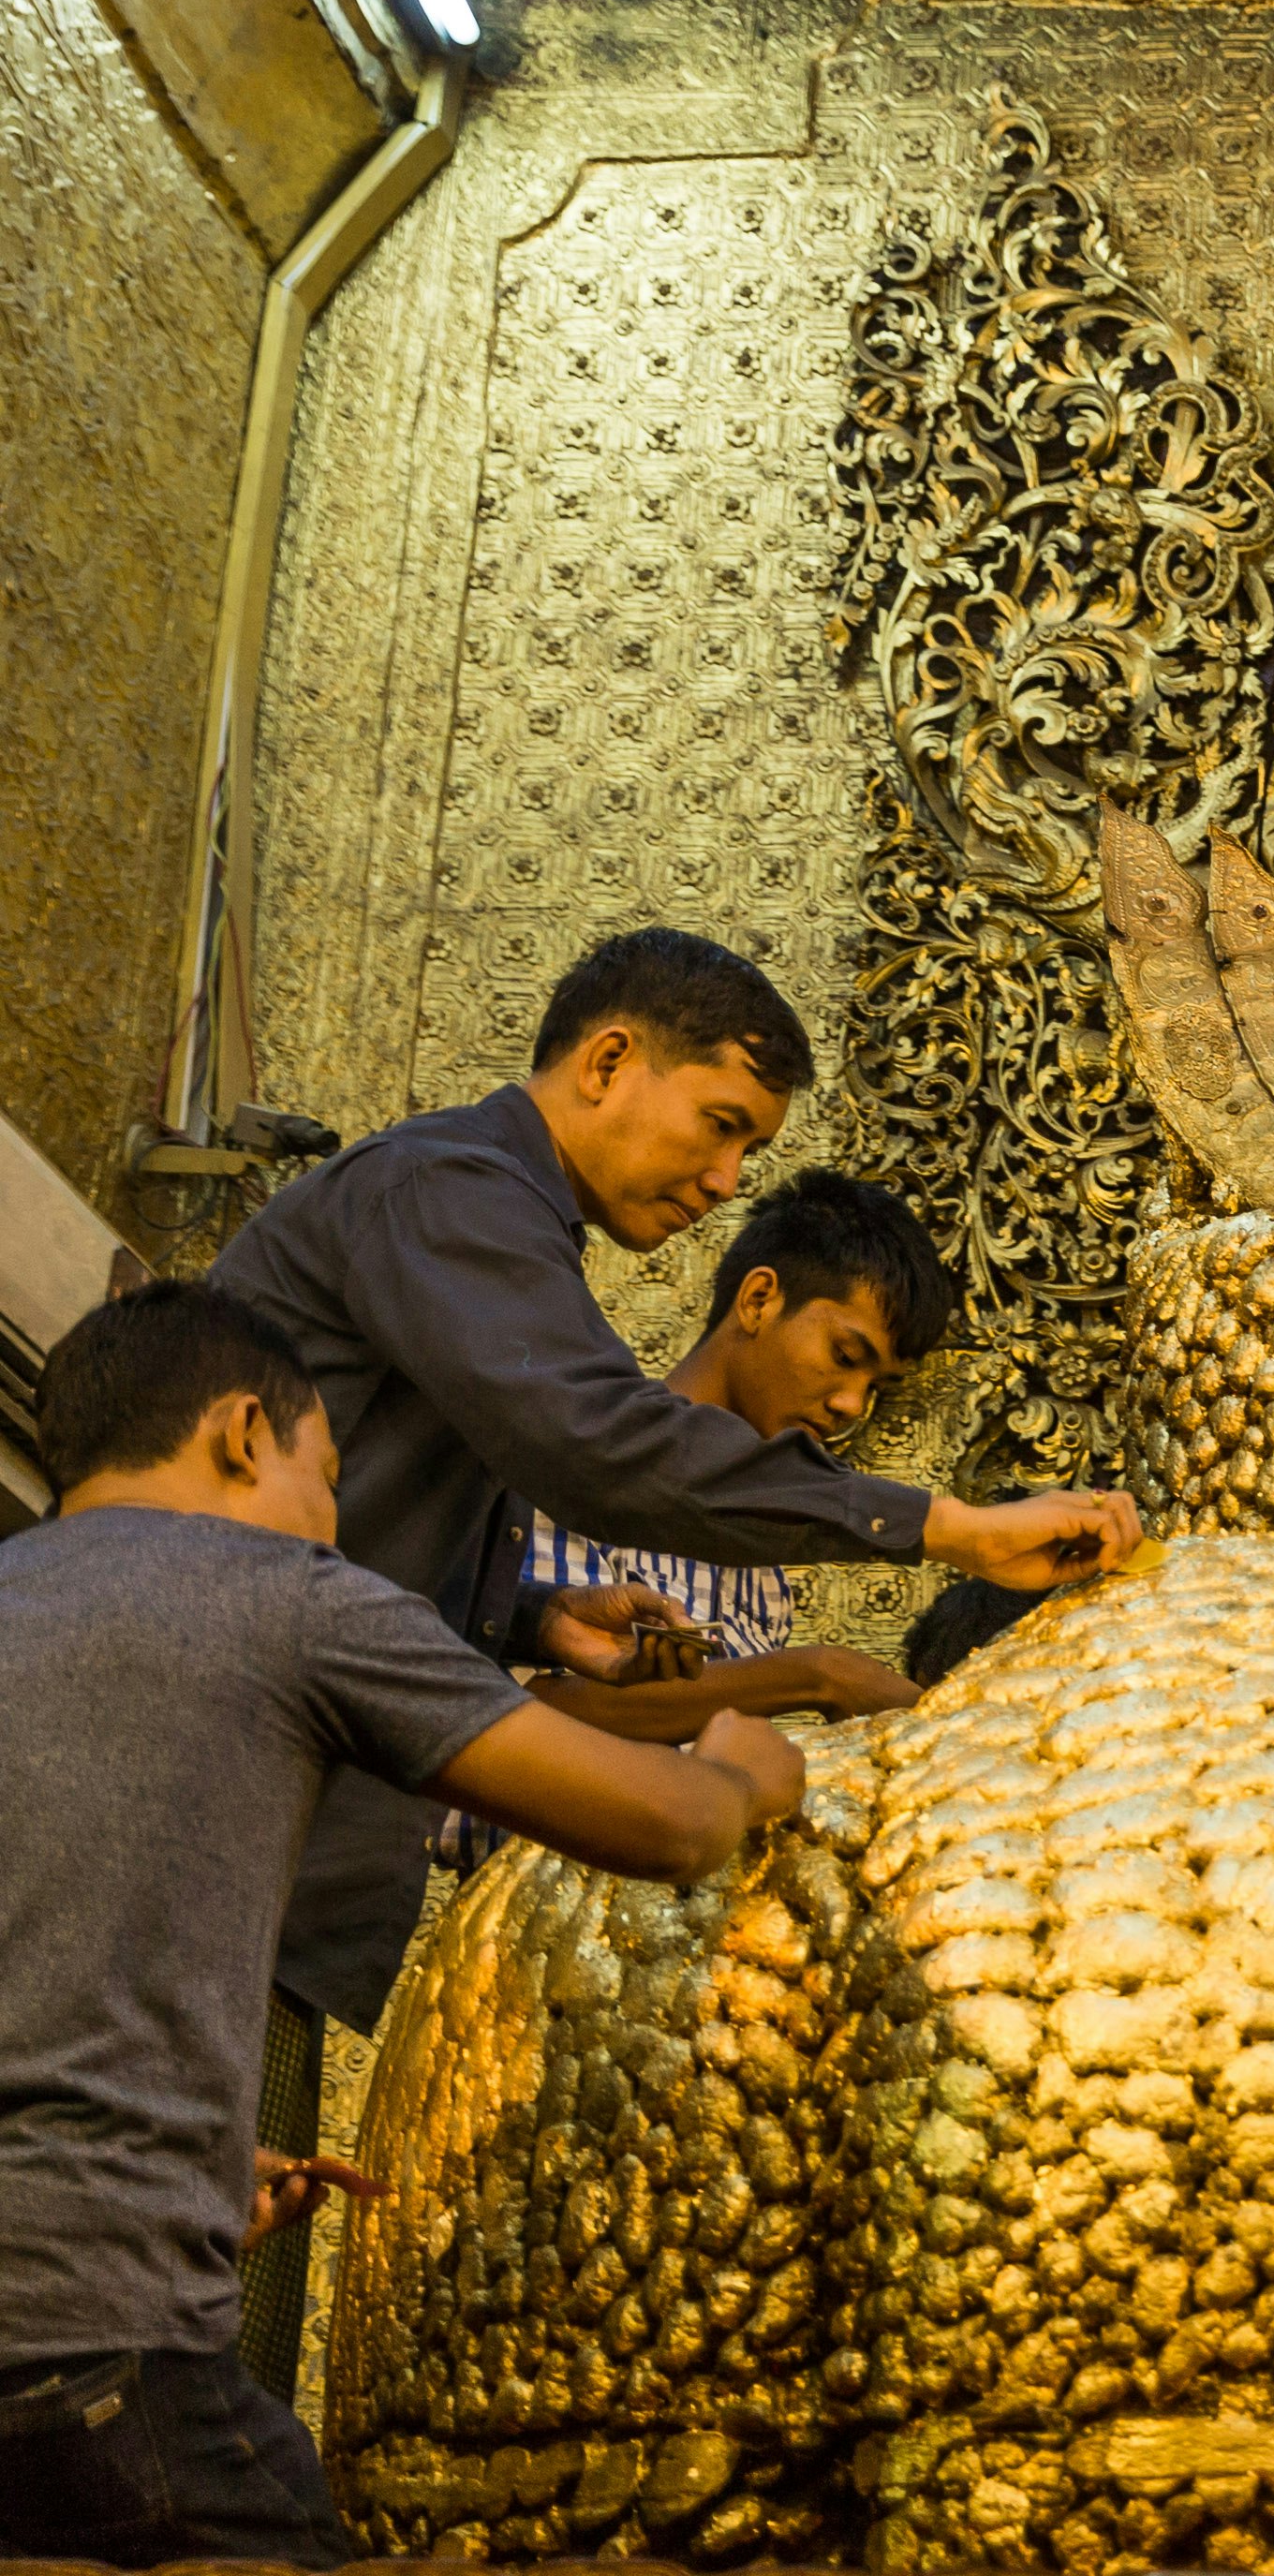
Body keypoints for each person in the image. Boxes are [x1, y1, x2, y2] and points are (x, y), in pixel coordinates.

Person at [206, 926, 1138, 2043]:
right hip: (213, 1815)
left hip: (279, 1862)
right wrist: (945, 1530)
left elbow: (371, 1544)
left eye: (746, 1152)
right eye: (721, 1126)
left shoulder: (502, 1226)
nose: (724, 1181)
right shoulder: (447, 1191)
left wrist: (533, 1612)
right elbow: (603, 1449)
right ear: (606, 1064)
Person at [0, 1287, 804, 2569]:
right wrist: (749, 1764)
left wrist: (183, 2178)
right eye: (327, 1483)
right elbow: (669, 1829)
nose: (332, 1524)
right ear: (244, 1434)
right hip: (94, 2345)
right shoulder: (289, 1596)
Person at [433, 1176, 947, 1870]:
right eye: (845, 1357)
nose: (852, 1403)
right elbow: (512, 1723)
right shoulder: (574, 1466)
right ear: (759, 1299)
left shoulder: (760, 1580)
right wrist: (817, 1676)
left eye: (876, 1387)